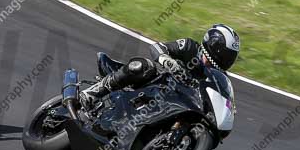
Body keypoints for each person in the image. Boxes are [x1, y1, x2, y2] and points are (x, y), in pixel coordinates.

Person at [81, 24, 240, 108]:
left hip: (179, 104)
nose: (226, 58)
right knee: (143, 66)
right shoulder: (190, 47)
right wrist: (165, 59)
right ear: (213, 44)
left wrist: (229, 108)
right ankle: (93, 92)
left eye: (229, 56)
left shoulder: (220, 79)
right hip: (155, 85)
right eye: (225, 53)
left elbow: (225, 103)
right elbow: (157, 47)